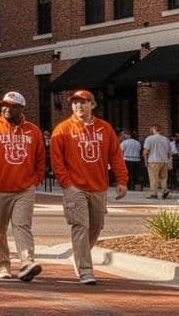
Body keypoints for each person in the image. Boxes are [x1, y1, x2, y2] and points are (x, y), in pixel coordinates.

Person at [50, 89, 128, 285]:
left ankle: (79, 253)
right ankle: (85, 270)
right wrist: (67, 185)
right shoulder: (63, 129)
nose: (78, 106)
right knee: (81, 226)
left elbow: (115, 156)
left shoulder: (105, 129)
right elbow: (57, 161)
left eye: (82, 102)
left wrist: (122, 180)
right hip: (75, 188)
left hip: (99, 187)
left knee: (96, 226)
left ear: (92, 105)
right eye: (75, 103)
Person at [0, 90, 45, 282]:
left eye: (11, 106)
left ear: (21, 108)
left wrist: (34, 181)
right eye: (3, 105)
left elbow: (40, 160)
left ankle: (26, 263)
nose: (6, 109)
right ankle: (2, 265)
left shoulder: (33, 131)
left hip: (24, 189)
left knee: (22, 225)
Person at [143, 125, 174, 199]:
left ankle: (154, 193)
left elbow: (146, 151)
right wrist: (168, 161)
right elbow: (169, 152)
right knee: (163, 178)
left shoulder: (149, 138)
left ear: (154, 129)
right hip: (164, 161)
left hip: (153, 160)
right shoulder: (166, 139)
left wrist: (146, 161)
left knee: (153, 178)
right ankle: (165, 190)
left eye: (151, 129)